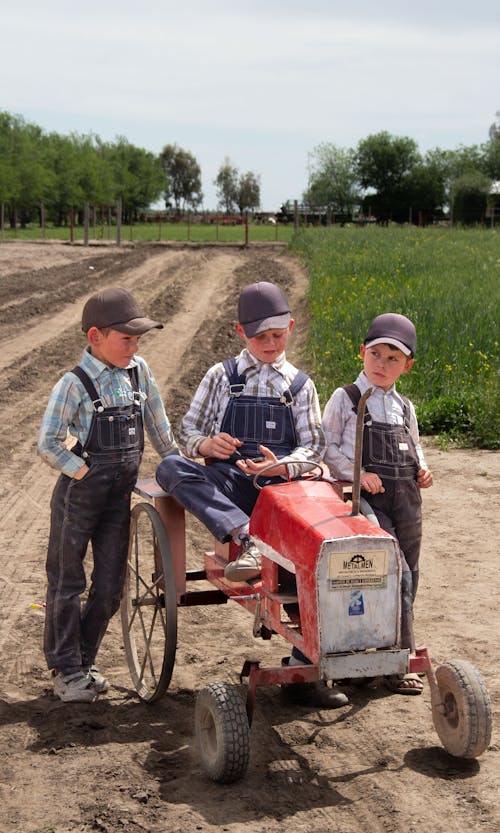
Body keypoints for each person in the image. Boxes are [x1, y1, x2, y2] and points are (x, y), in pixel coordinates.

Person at [156, 280, 348, 708]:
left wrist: (280, 466)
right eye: (260, 336)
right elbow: (187, 431)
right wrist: (207, 446)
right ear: (240, 332)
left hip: (282, 491)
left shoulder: (300, 385)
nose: (270, 343)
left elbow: (313, 445)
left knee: (306, 570)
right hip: (231, 487)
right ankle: (243, 537)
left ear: (291, 328)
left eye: (278, 335)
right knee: (170, 467)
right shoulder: (221, 377)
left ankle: (304, 669)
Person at [38, 287, 178, 703]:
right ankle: (65, 669)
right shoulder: (73, 384)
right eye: (126, 339)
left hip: (119, 498)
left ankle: (83, 658)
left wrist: (176, 465)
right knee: (67, 581)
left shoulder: (139, 373)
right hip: (78, 499)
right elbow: (48, 442)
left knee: (111, 584)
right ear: (95, 336)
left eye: (138, 340)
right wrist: (81, 471)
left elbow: (158, 426)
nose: (134, 348)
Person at [322, 313, 433, 695]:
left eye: (393, 358)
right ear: (361, 353)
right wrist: (357, 474)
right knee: (391, 570)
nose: (382, 365)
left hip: (408, 498)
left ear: (407, 365)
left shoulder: (405, 405)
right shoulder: (347, 398)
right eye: (376, 354)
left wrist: (423, 469)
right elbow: (328, 447)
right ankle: (398, 659)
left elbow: (415, 446)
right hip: (372, 499)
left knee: (411, 572)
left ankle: (394, 645)